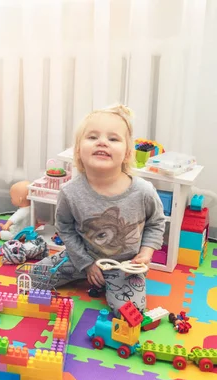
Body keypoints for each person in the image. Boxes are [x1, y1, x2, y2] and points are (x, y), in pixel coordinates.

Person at [35, 104, 166, 315]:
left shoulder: (143, 191)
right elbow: (65, 228)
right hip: (81, 257)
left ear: (127, 153)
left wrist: (145, 253)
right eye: (93, 137)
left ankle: (110, 283)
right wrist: (86, 264)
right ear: (78, 151)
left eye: (113, 139)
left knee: (131, 311)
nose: (102, 142)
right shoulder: (70, 192)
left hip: (124, 265)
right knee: (34, 277)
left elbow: (156, 223)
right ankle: (86, 275)